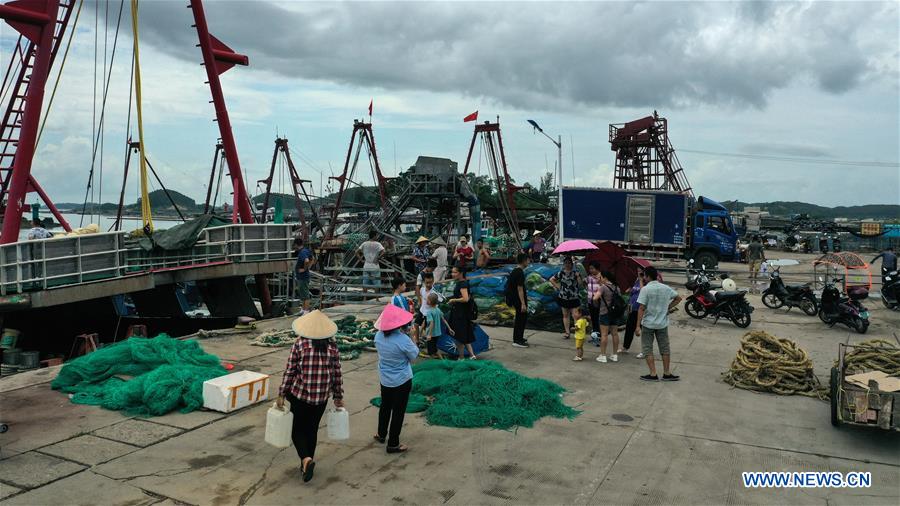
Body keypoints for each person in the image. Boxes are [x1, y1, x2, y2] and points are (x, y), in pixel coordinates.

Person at [277, 310, 344, 482]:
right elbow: (337, 373)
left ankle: (305, 459)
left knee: (297, 429)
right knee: (312, 429)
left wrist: (282, 393)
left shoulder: (299, 344)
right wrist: (338, 395)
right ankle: (307, 463)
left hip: (300, 396)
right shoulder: (333, 347)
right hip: (321, 397)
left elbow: (290, 371)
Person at [373, 304, 419, 453]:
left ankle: (381, 434)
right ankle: (393, 443)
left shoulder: (378, 336)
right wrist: (413, 337)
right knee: (398, 411)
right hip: (401, 380)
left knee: (385, 406)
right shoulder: (403, 339)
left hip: (385, 378)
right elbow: (414, 355)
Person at [635, 266, 682, 381]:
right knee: (664, 348)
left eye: (644, 275)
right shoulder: (665, 288)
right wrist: (667, 308)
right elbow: (678, 298)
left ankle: (653, 374)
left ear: (647, 276)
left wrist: (637, 326)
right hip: (662, 324)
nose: (644, 278)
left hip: (648, 324)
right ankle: (667, 373)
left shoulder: (645, 289)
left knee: (647, 348)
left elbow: (641, 308)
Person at [549, 256, 583, 339]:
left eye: (569, 263)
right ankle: (567, 332)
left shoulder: (575, 273)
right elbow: (551, 279)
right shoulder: (561, 273)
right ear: (564, 264)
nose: (567, 265)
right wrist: (558, 287)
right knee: (565, 315)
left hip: (574, 297)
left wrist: (578, 277)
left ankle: (577, 332)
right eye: (566, 263)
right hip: (563, 297)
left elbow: (580, 285)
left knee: (575, 315)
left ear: (572, 264)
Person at [447, 266, 478, 359]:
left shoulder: (463, 284)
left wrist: (453, 300)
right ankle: (472, 355)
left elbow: (465, 299)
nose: (453, 274)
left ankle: (461, 357)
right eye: (452, 272)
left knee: (459, 336)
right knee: (464, 336)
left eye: (455, 272)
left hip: (460, 314)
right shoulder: (461, 283)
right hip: (461, 312)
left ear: (461, 273)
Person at [594, 271, 621, 363]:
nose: (600, 279)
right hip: (615, 314)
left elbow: (595, 298)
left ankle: (603, 355)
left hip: (604, 313)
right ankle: (614, 355)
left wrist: (596, 298)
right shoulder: (617, 288)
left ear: (605, 278)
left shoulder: (603, 288)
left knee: (604, 334)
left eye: (601, 277)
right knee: (615, 334)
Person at [419, 273, 447, 357]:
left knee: (432, 348)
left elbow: (431, 324)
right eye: (426, 283)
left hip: (431, 330)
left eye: (430, 283)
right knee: (435, 347)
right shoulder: (422, 290)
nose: (428, 284)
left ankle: (432, 356)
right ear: (424, 282)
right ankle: (420, 340)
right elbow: (443, 319)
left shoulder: (434, 293)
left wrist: (429, 334)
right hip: (423, 312)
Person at [505, 253, 530, 348]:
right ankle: (517, 340)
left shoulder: (515, 271)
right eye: (528, 260)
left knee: (521, 318)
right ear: (523, 261)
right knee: (521, 319)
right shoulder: (519, 272)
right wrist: (523, 304)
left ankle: (519, 337)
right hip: (518, 299)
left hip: (515, 299)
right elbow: (520, 289)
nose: (529, 262)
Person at [623, 268, 646, 358]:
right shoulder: (635, 281)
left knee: (643, 330)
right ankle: (625, 347)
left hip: (641, 309)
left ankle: (644, 350)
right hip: (632, 308)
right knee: (629, 328)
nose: (638, 273)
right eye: (637, 271)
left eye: (640, 271)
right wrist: (629, 290)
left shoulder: (646, 282)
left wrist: (641, 280)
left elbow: (643, 291)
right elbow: (632, 292)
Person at [424, 292, 453, 358]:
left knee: (431, 351)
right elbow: (444, 320)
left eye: (427, 299)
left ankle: (435, 363)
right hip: (437, 333)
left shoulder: (429, 312)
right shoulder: (438, 310)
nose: (426, 300)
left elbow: (432, 323)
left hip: (431, 334)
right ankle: (442, 361)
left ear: (430, 302)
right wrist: (450, 329)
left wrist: (429, 335)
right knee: (435, 348)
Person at [294, 238, 315, 314]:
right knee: (302, 293)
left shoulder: (302, 252)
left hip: (303, 277)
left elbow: (306, 260)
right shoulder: (306, 250)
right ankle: (303, 309)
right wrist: (309, 267)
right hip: (302, 276)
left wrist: (304, 268)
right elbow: (313, 258)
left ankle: (306, 310)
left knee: (305, 294)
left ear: (296, 244)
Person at [586, 262, 602, 346]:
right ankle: (595, 335)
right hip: (590, 299)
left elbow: (604, 286)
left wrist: (600, 281)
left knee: (598, 317)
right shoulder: (589, 277)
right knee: (593, 318)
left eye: (593, 268)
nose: (591, 270)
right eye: (590, 268)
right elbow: (585, 285)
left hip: (598, 300)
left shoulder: (601, 276)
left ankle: (599, 335)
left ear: (597, 268)